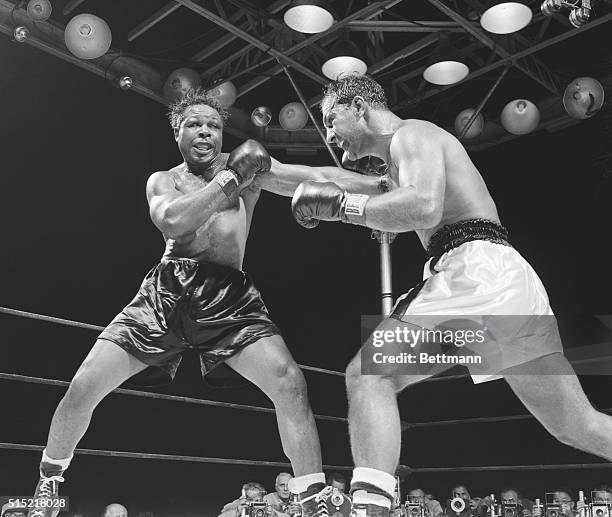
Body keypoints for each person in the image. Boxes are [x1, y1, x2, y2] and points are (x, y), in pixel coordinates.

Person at [276, 73, 612, 516]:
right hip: (507, 278)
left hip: (472, 270)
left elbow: (423, 207)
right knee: (575, 424)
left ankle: (369, 511)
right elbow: (325, 177)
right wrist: (255, 173)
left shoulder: (411, 134)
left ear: (357, 106)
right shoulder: (399, 165)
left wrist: (342, 209)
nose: (329, 133)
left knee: (370, 376)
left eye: (330, 118)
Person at [26, 88, 338, 517]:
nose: (205, 132)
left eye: (213, 125)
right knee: (83, 387)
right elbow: (174, 220)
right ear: (178, 133)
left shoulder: (247, 169)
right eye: (194, 124)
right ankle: (49, 479)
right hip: (167, 291)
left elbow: (310, 178)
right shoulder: (165, 179)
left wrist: (379, 184)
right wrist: (230, 179)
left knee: (289, 383)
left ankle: (311, 499)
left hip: (228, 294)